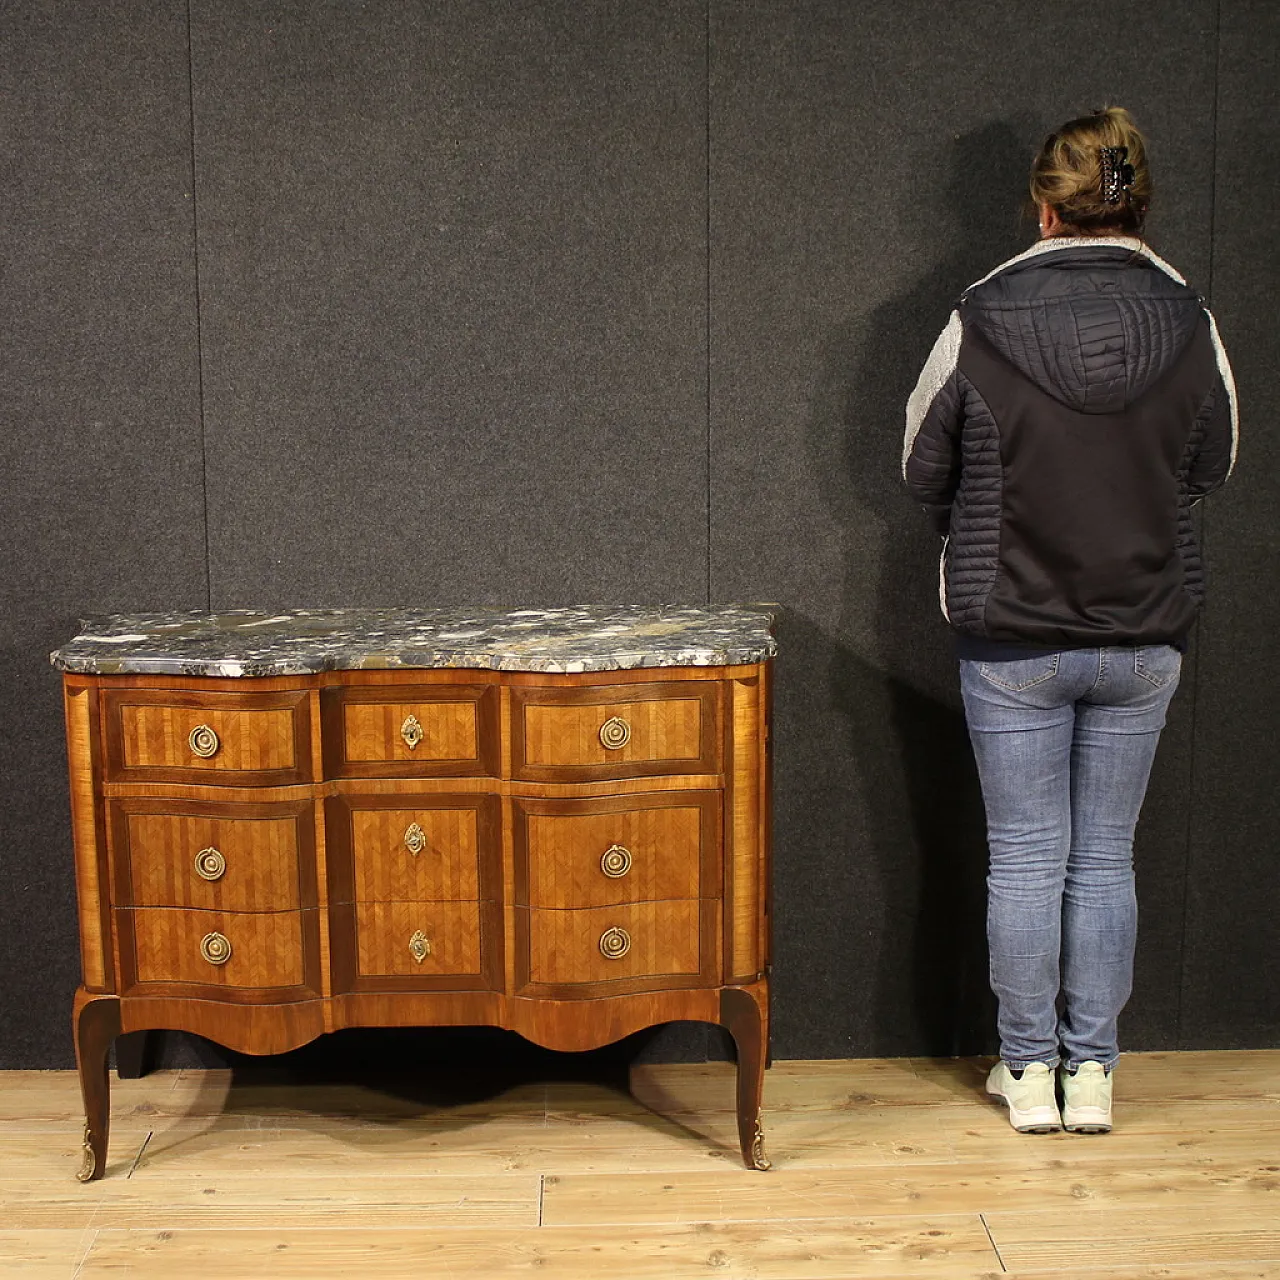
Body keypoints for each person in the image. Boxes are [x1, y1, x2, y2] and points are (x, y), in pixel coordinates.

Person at [902, 107, 1237, 1134]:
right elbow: (1214, 463)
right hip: (1142, 634)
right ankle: (1090, 1072)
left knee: (1023, 855)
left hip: (1010, 633)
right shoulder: (1190, 317)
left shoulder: (979, 313)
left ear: (1042, 208)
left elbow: (919, 466)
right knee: (1101, 858)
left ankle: (1027, 1072)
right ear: (1135, 201)